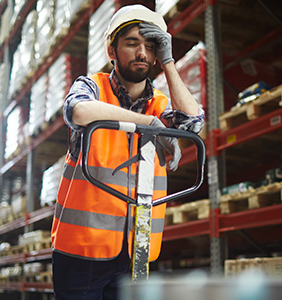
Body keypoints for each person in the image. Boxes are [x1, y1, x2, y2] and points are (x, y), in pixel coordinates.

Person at [51, 4, 205, 299]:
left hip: (138, 251)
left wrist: (169, 62)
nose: (142, 53)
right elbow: (78, 110)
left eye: (150, 46)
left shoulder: (160, 104)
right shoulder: (92, 87)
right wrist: (147, 124)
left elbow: (193, 122)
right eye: (132, 43)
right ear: (112, 51)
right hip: (82, 251)